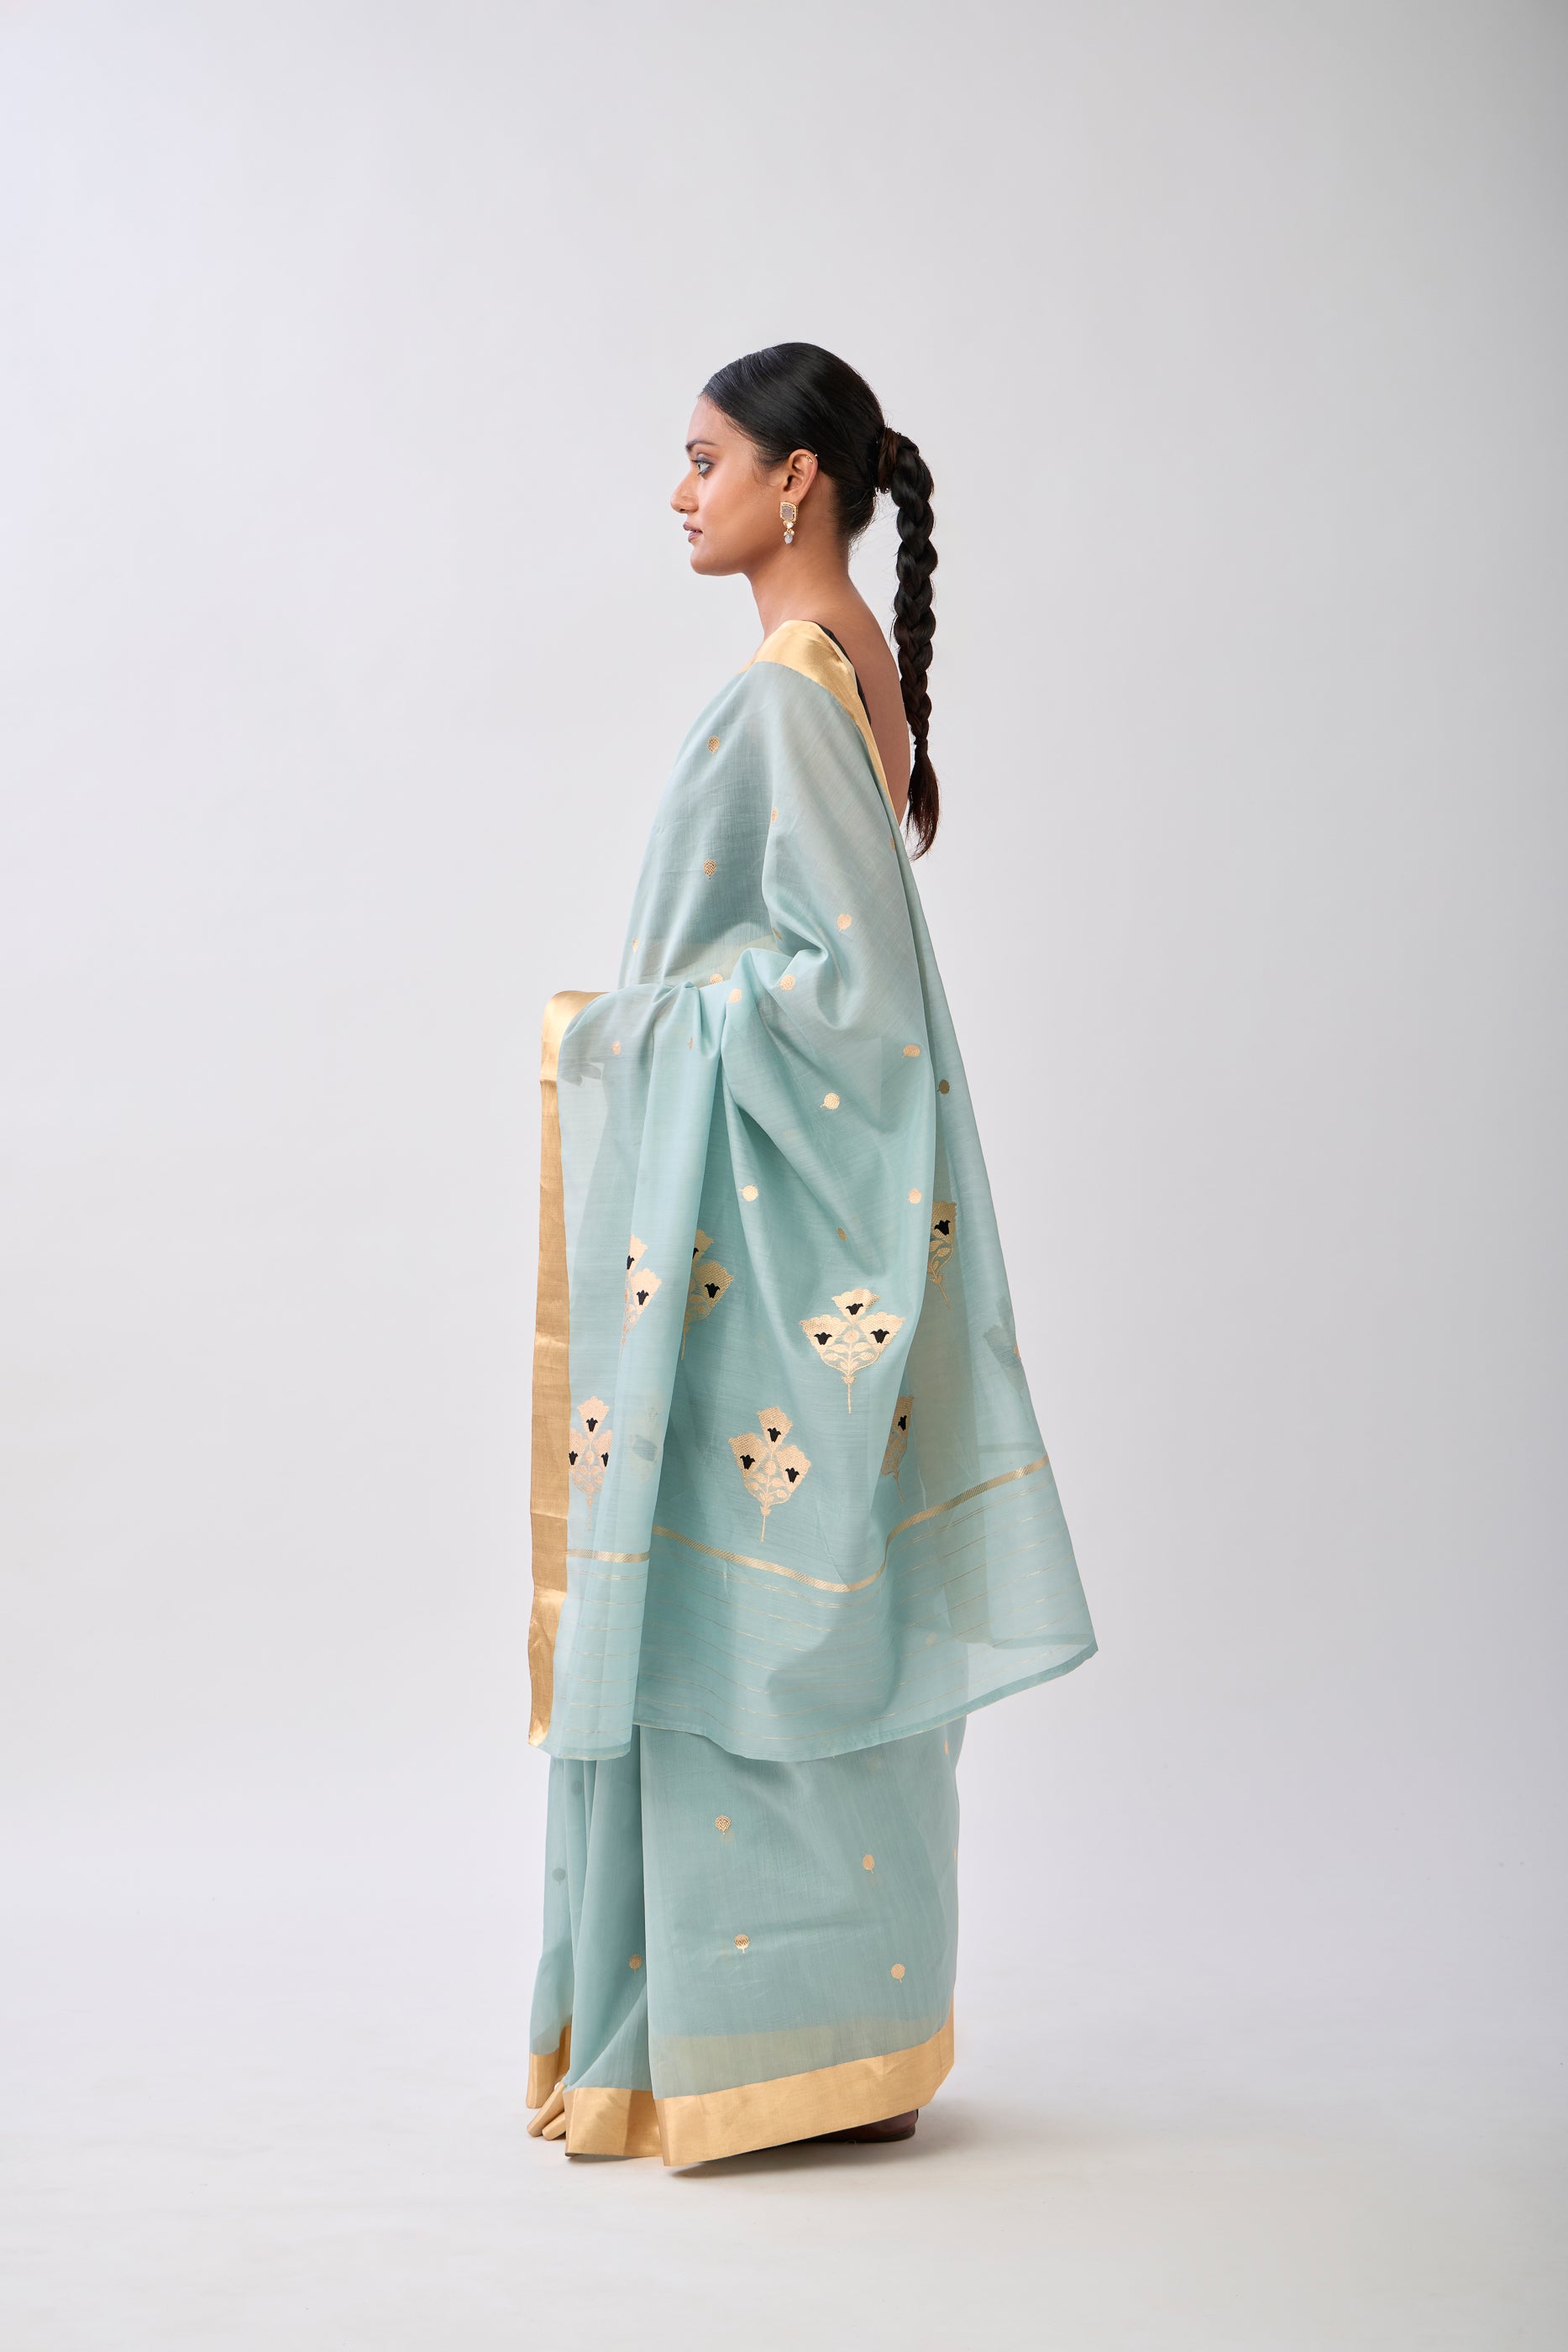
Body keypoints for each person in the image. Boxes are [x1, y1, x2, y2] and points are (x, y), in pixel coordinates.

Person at [525, 344, 1095, 2167]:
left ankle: (751, 2051)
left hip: (774, 1254)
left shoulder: (789, 686)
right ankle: (837, 2041)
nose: (678, 493)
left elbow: (843, 1007)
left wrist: (610, 1040)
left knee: (741, 1625)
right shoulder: (853, 664)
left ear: (798, 481)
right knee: (828, 1617)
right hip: (811, 1235)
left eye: (704, 459)